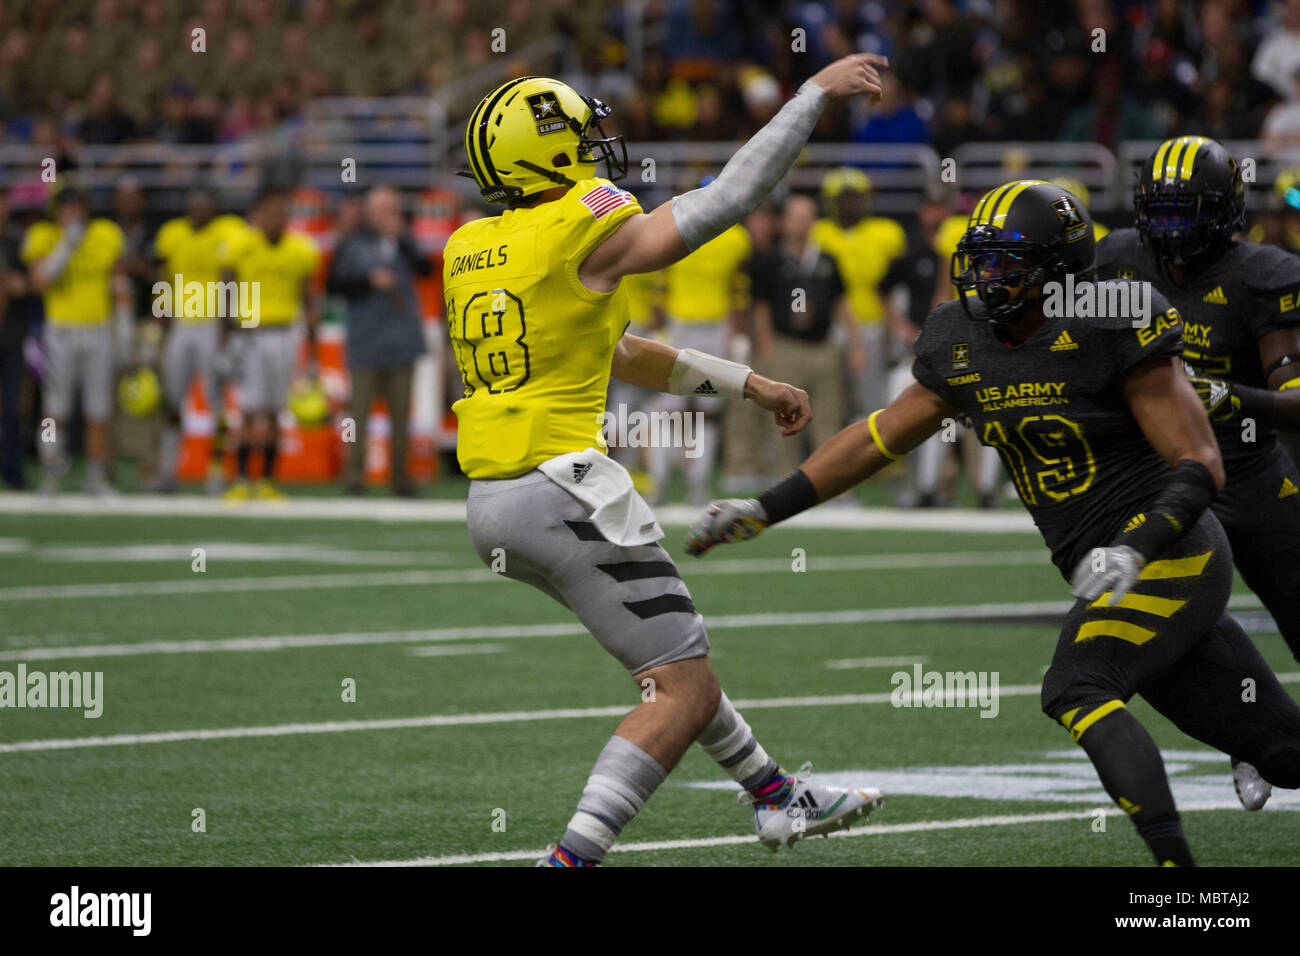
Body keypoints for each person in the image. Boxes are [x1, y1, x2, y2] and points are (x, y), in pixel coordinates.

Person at [688, 180, 1300, 867]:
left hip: (1172, 553)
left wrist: (1136, 546)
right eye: (978, 258)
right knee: (1282, 749)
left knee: (1078, 687)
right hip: (1110, 561)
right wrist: (766, 509)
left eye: (1006, 261)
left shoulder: (1113, 321)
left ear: (1059, 270)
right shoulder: (961, 337)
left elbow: (1199, 462)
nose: (985, 275)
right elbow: (876, 439)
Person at [447, 57, 888, 867]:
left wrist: (744, 381)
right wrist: (812, 96)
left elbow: (615, 350)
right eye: (579, 133)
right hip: (561, 489)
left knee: (678, 661)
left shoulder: (474, 244)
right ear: (542, 154)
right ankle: (571, 860)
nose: (596, 145)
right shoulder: (579, 221)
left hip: (495, 501)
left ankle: (777, 795)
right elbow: (728, 198)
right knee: (677, 689)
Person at [1097, 135, 1300, 809]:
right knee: (1175, 633)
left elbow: (1297, 402)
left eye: (1187, 212)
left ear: (1224, 212)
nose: (1170, 227)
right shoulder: (1119, 259)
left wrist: (1228, 396)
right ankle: (1251, 732)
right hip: (1167, 480)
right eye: (1161, 210)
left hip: (1250, 472)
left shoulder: (1262, 273)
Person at [22, 185, 126, 496]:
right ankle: (50, 474)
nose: (71, 212)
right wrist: (66, 246)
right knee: (56, 409)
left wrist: (124, 329)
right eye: (65, 206)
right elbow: (39, 282)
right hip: (61, 331)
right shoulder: (44, 235)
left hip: (98, 329)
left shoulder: (105, 234)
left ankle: (96, 477)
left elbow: (117, 282)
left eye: (76, 205)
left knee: (99, 408)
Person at [327, 186, 430, 497]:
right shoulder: (353, 242)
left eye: (393, 210)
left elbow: (425, 268)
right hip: (366, 341)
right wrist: (367, 280)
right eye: (382, 210)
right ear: (369, 212)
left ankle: (401, 479)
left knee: (401, 417)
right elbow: (334, 283)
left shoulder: (405, 241)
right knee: (359, 415)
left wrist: (404, 238)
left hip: (402, 340)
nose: (388, 217)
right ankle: (355, 478)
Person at [221, 186, 319, 500]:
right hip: (250, 334)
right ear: (258, 214)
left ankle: (266, 481)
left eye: (283, 213)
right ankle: (241, 479)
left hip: (284, 334)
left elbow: (308, 298)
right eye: (271, 212)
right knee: (248, 410)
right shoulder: (241, 245)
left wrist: (313, 344)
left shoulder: (300, 249)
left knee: (276, 410)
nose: (278, 219)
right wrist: (226, 333)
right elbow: (226, 286)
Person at [152, 187, 248, 492]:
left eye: (205, 205)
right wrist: (161, 327)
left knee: (216, 403)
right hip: (182, 325)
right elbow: (164, 281)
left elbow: (232, 279)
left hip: (211, 326)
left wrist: (228, 328)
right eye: (194, 204)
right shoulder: (173, 234)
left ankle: (216, 470)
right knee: (171, 400)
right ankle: (168, 470)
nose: (199, 210)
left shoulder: (228, 231)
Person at [750, 193, 849, 476]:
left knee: (828, 418)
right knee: (783, 418)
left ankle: (828, 479)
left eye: (807, 218)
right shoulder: (771, 261)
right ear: (784, 222)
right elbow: (761, 307)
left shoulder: (826, 259)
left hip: (822, 345)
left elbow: (842, 301)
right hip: (786, 345)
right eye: (796, 218)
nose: (802, 224)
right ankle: (784, 479)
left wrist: (854, 344)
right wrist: (767, 347)